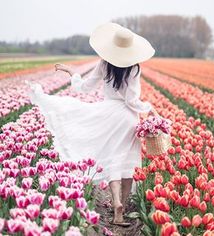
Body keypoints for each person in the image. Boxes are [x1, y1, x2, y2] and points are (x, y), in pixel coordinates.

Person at [25, 22, 156, 226]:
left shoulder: (104, 64)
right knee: (128, 159)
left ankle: (117, 204)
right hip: (128, 117)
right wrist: (148, 109)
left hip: (109, 113)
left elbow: (84, 87)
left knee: (113, 157)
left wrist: (72, 73)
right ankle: (125, 202)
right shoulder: (134, 68)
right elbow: (132, 99)